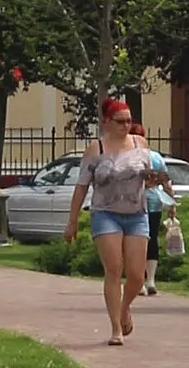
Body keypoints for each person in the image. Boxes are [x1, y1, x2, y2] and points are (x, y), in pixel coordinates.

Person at [65, 94, 157, 345]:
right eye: (120, 121)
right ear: (107, 122)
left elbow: (147, 178)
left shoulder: (140, 143)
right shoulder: (97, 149)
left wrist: (152, 180)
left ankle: (124, 307)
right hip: (105, 214)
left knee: (137, 276)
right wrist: (72, 221)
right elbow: (82, 186)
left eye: (128, 121)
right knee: (114, 269)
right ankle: (116, 328)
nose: (126, 125)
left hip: (137, 214)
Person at [133, 117, 174, 295]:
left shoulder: (129, 157)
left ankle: (140, 282)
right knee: (152, 240)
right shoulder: (156, 157)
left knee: (136, 242)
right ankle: (150, 280)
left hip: (134, 204)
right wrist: (171, 204)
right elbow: (166, 183)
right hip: (154, 202)